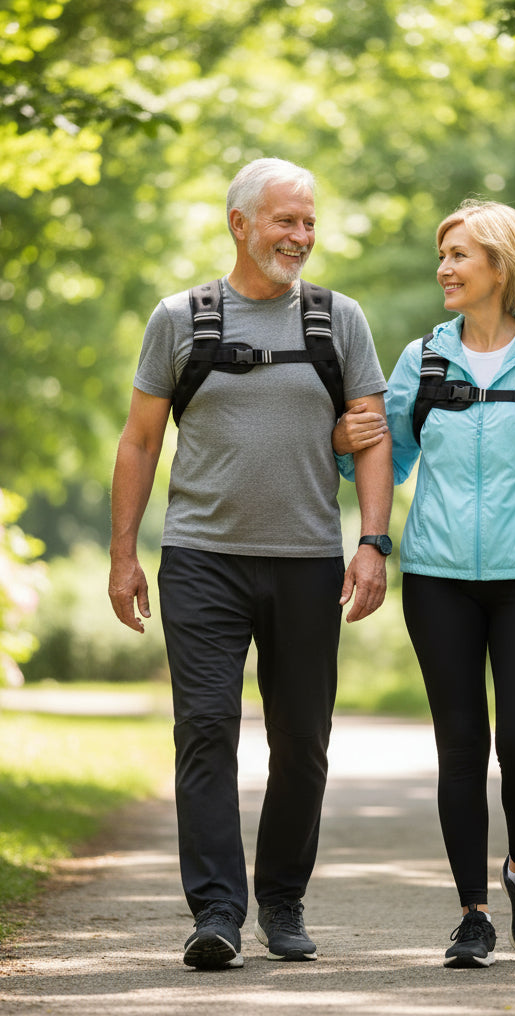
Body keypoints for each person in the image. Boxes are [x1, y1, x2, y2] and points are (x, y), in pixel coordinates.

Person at [109, 158, 392, 971]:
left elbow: (369, 437)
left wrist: (373, 543)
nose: (300, 237)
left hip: (307, 561)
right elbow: (139, 441)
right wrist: (125, 555)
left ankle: (282, 901)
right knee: (205, 730)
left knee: (302, 740)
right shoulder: (180, 318)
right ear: (241, 224)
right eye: (285, 221)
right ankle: (218, 912)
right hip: (200, 560)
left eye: (308, 223)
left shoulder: (339, 321)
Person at [334, 199, 515, 968]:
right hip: (438, 580)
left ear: (502, 265)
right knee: (461, 747)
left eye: (459, 255)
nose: (443, 268)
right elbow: (380, 453)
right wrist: (338, 447)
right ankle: (473, 916)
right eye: (442, 255)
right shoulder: (422, 359)